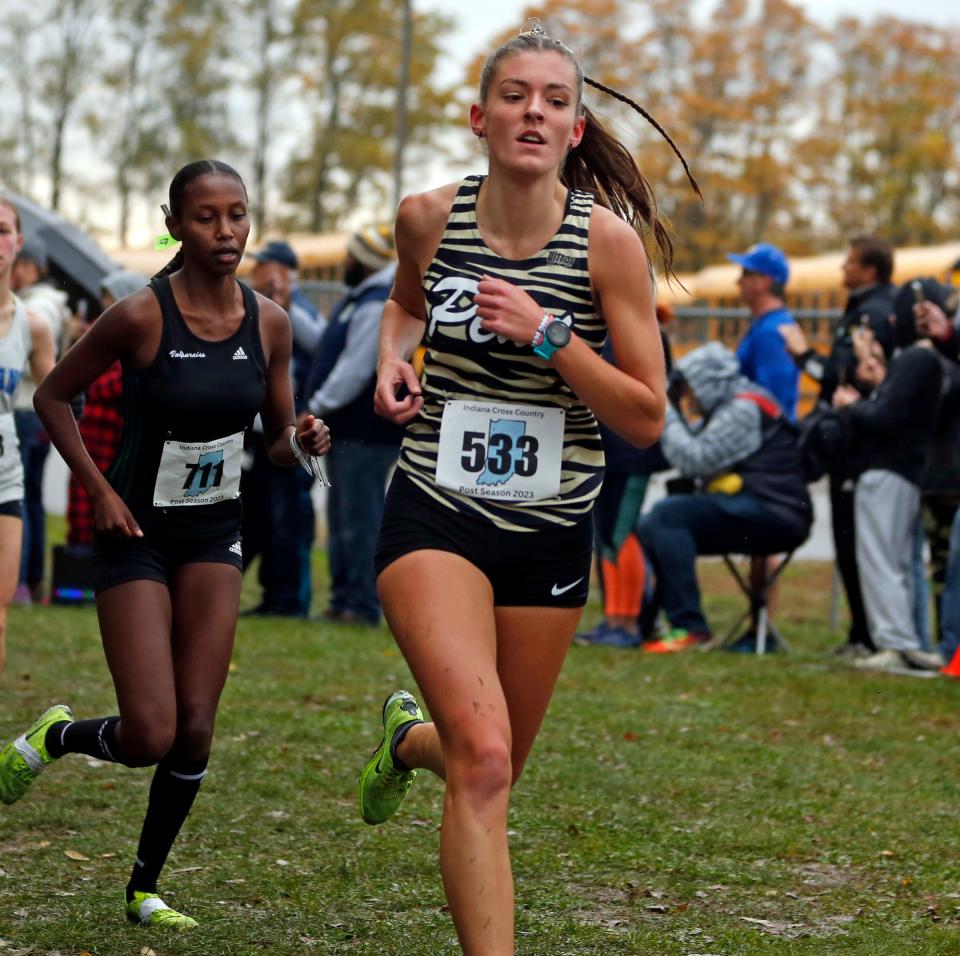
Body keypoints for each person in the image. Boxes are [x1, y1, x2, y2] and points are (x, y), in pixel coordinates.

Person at [356, 22, 698, 955]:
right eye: (515, 95)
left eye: (554, 99)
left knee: (488, 764)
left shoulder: (607, 247)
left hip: (549, 528)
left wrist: (551, 335)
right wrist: (394, 357)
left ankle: (404, 742)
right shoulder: (429, 217)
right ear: (479, 116)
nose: (533, 112)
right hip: (436, 508)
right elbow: (404, 301)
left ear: (576, 128)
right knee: (489, 757)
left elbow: (644, 416)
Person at [0, 160, 330, 928]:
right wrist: (101, 491)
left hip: (215, 533)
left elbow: (277, 444)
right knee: (150, 732)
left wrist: (304, 437)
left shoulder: (269, 324)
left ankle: (144, 886)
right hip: (137, 536)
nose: (227, 232)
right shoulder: (141, 315)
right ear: (175, 224)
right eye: (208, 217)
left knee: (197, 725)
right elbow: (53, 398)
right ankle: (57, 735)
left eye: (237, 215)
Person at [636, 342, 813, 650]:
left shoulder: (742, 409)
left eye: (691, 389)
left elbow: (694, 459)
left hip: (774, 513)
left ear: (708, 383)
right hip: (770, 508)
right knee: (662, 524)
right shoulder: (744, 400)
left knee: (665, 518)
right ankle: (657, 622)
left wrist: (662, 405)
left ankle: (689, 627)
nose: (689, 398)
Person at [780, 235, 897, 657]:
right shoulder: (878, 307)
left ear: (869, 271)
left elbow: (842, 377)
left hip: (858, 444)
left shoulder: (872, 313)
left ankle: (866, 635)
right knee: (857, 540)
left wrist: (802, 354)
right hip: (862, 442)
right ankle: (862, 633)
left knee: (855, 541)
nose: (842, 270)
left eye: (849, 264)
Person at [303, 225, 403, 625]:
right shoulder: (361, 298)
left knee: (359, 518)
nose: (345, 261)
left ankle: (360, 603)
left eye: (351, 255)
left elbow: (355, 370)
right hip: (350, 431)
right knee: (345, 515)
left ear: (362, 260)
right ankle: (345, 598)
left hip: (364, 432)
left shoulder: (375, 303)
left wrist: (314, 406)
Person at [833, 329, 943, 675]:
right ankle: (906, 642)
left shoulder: (914, 360)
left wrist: (852, 406)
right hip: (903, 474)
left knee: (882, 560)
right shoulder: (914, 363)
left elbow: (883, 417)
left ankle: (896, 643)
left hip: (888, 473)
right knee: (896, 562)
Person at [574, 302, 673, 649]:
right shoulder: (607, 326)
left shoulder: (643, 331)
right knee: (607, 537)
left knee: (621, 535)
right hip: (609, 453)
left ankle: (629, 622)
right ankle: (615, 618)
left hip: (630, 454)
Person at [240, 239, 324, 617]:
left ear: (282, 271)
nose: (255, 272)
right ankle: (274, 595)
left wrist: (285, 301)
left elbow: (320, 343)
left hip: (288, 431)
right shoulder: (253, 306)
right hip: (258, 434)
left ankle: (288, 599)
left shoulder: (298, 308)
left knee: (287, 518)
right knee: (260, 515)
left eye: (264, 266)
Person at [0, 198, 56, 673]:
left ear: (18, 243)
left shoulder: (32, 326)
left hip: (6, 480)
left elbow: (56, 401)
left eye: (2, 231)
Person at [10, 235, 71, 603]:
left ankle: (18, 582)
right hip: (35, 414)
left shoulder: (39, 306)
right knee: (29, 499)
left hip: (23, 413)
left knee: (18, 499)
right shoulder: (47, 303)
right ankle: (29, 581)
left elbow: (28, 358)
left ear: (30, 266)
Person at [66, 270, 146, 548]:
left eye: (110, 301)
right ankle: (77, 579)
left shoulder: (138, 344)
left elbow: (108, 386)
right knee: (82, 513)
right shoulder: (101, 339)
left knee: (109, 513)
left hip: (115, 448)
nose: (104, 308)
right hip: (90, 444)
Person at [727, 243, 800, 421]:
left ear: (765, 281)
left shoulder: (771, 331)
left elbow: (772, 402)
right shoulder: (766, 324)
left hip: (767, 442)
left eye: (745, 273)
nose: (738, 281)